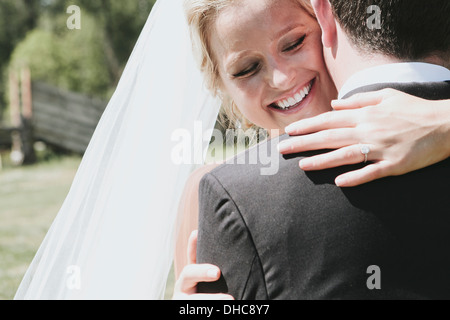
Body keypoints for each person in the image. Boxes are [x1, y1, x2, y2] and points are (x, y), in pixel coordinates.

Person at [174, 0, 450, 299]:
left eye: (293, 43)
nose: (281, 78)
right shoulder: (212, 193)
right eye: (246, 69)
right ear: (221, 84)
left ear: (328, 24)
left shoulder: (429, 120)